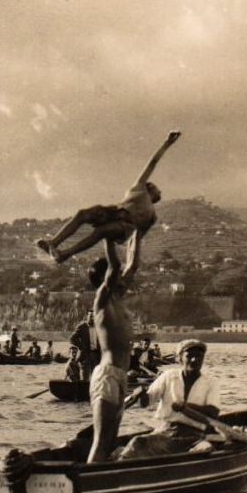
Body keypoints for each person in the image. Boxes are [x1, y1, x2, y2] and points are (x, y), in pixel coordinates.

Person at [35, 130, 181, 281]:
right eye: (158, 189)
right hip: (113, 213)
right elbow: (152, 163)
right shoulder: (140, 187)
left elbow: (136, 240)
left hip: (125, 227)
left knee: (101, 232)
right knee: (83, 214)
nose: (160, 191)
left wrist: (131, 267)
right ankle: (53, 243)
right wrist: (167, 144)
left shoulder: (152, 216)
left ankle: (65, 254)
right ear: (151, 188)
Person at [117, 340, 224, 459]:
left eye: (199, 356)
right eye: (189, 356)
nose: (194, 360)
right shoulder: (168, 376)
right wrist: (140, 394)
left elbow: (213, 413)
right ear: (180, 358)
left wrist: (185, 406)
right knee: (137, 442)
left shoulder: (211, 383)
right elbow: (145, 403)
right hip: (165, 432)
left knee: (205, 450)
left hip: (196, 435)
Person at [87, 242, 134, 463]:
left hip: (120, 376)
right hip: (107, 375)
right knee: (101, 440)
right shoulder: (102, 301)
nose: (121, 276)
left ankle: (102, 483)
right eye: (114, 276)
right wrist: (107, 237)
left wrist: (137, 234)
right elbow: (115, 267)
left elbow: (132, 266)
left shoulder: (118, 299)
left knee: (111, 438)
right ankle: (88, 480)